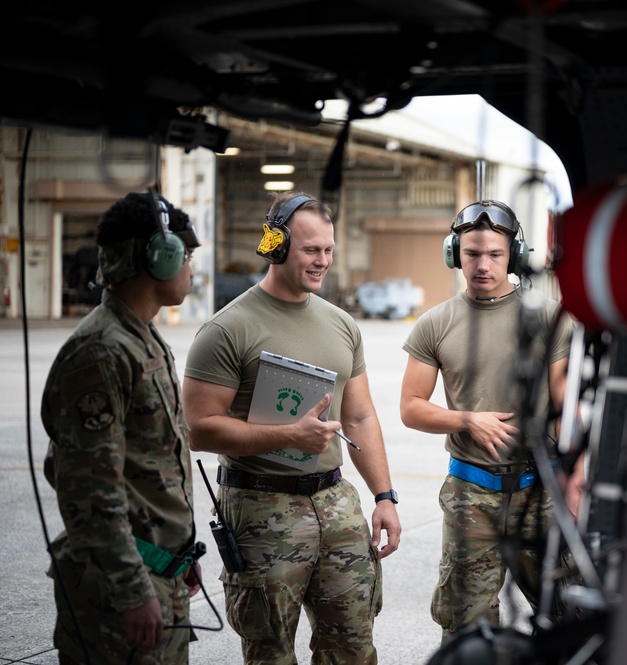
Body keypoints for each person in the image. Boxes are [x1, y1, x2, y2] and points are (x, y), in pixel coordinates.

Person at [182, 191, 401, 665]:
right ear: (276, 245)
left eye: (328, 250)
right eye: (310, 250)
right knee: (271, 652)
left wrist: (384, 497)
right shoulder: (227, 329)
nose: (322, 261)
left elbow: (361, 416)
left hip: (336, 501)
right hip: (261, 506)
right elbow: (198, 428)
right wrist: (287, 435)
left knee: (353, 648)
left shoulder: (342, 324)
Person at [400, 199, 579, 643]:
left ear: (513, 256)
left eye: (495, 255)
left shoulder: (548, 318)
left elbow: (565, 409)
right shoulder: (434, 324)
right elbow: (411, 407)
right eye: (472, 254)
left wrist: (576, 480)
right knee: (468, 628)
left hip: (541, 489)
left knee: (571, 616)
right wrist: (467, 420)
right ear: (454, 253)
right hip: (470, 496)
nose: (482, 265)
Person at [40, 191, 203, 664]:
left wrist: (177, 558)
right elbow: (91, 489)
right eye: (187, 255)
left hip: (158, 574)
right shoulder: (101, 350)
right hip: (118, 588)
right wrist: (133, 588)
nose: (192, 268)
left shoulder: (143, 337)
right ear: (158, 257)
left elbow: (150, 468)